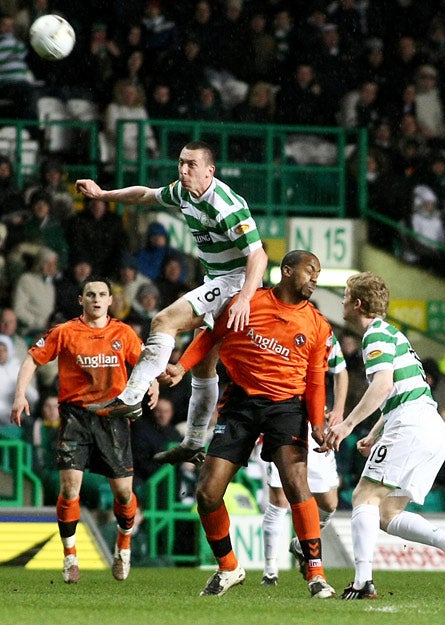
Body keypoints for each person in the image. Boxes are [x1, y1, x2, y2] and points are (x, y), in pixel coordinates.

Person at [75, 140, 268, 465]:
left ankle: (133, 395)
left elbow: (259, 255)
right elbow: (145, 195)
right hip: (217, 280)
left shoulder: (226, 205)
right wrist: (103, 195)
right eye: (181, 162)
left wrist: (245, 298)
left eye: (191, 165)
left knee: (164, 320)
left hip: (235, 283)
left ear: (210, 171)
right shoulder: (183, 192)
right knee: (204, 370)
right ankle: (193, 442)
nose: (183, 170)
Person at [159, 250, 336, 599]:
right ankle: (228, 567)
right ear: (286, 271)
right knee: (207, 493)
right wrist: (181, 366)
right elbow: (210, 337)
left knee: (295, 482)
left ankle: (316, 574)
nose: (315, 278)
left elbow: (316, 379)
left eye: (318, 273)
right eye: (310, 271)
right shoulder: (248, 303)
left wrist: (317, 422)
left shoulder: (318, 324)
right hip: (240, 402)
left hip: (287, 407)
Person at [326, 271, 445, 599]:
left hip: (413, 424)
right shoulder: (392, 334)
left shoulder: (374, 336)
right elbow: (398, 390)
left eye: (344, 297)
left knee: (364, 496)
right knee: (387, 513)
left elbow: (381, 386)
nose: (341, 303)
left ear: (357, 303)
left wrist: (348, 425)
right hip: (428, 426)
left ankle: (364, 581)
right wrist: (375, 433)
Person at [10, 276, 159, 584]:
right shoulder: (65, 332)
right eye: (90, 294)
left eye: (101, 294)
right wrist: (20, 394)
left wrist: (153, 382)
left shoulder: (122, 332)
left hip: (113, 417)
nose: (96, 299)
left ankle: (124, 546)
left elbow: (145, 362)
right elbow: (31, 359)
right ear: (81, 300)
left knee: (123, 492)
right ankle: (70, 556)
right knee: (69, 489)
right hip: (76, 417)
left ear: (109, 300)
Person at [261, 334, 348, 586]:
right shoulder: (274, 332)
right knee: (279, 498)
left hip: (316, 422)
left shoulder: (324, 334)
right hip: (281, 417)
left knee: (329, 503)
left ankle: (300, 543)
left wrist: (339, 409)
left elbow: (341, 371)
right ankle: (270, 571)